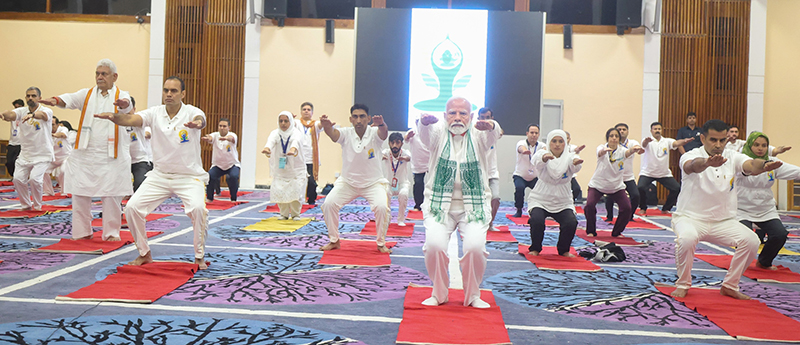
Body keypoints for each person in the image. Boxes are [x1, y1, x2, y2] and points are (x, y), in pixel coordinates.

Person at [95, 76, 209, 269]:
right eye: (166, 90)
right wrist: (115, 117)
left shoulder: (192, 112)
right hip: (160, 175)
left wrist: (197, 124)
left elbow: (201, 120)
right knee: (132, 208)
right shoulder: (155, 113)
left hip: (189, 176)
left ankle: (199, 256)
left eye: (173, 91)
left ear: (183, 94)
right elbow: (132, 118)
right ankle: (144, 253)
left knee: (198, 209)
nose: (169, 94)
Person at [671, 119, 780, 300]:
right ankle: (683, 283)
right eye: (713, 140)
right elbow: (692, 166)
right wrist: (707, 163)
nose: (718, 145)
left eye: (722, 140)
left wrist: (764, 165)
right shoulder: (690, 155)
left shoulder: (733, 156)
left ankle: (730, 285)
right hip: (690, 218)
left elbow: (751, 165)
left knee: (751, 240)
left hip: (723, 221)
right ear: (703, 138)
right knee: (687, 239)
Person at [39, 59, 133, 241]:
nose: (99, 77)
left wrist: (122, 105)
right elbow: (69, 99)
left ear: (114, 77)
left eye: (104, 74)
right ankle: (82, 233)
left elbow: (128, 105)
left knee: (112, 195)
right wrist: (55, 100)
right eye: (97, 73)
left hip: (112, 156)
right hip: (86, 153)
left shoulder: (122, 95)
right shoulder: (87, 94)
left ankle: (111, 233)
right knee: (80, 193)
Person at [419, 96, 499, 309]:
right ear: (445, 116)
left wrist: (491, 125)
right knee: (434, 246)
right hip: (439, 206)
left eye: (462, 113)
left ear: (471, 117)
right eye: (452, 113)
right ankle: (439, 292)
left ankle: (473, 294)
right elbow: (424, 135)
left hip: (474, 207)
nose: (457, 118)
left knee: (474, 248)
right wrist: (424, 123)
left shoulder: (479, 135)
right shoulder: (438, 132)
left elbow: (494, 134)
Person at [319, 104, 391, 253]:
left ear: (368, 118)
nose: (359, 120)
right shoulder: (346, 133)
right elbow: (333, 135)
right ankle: (334, 241)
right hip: (348, 182)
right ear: (350, 119)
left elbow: (383, 134)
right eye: (355, 117)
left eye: (362, 116)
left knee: (382, 207)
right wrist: (326, 127)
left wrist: (382, 124)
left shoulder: (374, 133)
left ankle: (380, 243)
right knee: (328, 204)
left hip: (373, 183)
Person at [736, 131, 800, 270]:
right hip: (740, 207)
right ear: (749, 145)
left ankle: (764, 262)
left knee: (780, 234)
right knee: (746, 238)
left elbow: (795, 171)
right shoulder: (740, 160)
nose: (760, 148)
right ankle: (740, 263)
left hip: (765, 208)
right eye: (757, 145)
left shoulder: (772, 162)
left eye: (764, 145)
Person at [527, 130, 584, 256]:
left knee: (571, 222)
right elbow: (537, 160)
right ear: (549, 142)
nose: (557, 144)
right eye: (554, 141)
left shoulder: (570, 156)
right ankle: (535, 248)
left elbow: (575, 162)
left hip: (562, 201)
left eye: (560, 141)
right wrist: (544, 158)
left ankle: (563, 250)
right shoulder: (542, 153)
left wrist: (576, 163)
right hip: (541, 199)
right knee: (536, 220)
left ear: (565, 143)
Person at [0, 87, 54, 210]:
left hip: (42, 153)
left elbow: (43, 116)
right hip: (26, 153)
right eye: (28, 96)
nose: (30, 98)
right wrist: (3, 114)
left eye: (33, 96)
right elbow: (11, 114)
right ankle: (26, 205)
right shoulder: (21, 111)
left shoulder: (47, 110)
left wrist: (33, 115)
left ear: (40, 98)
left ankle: (37, 205)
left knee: (35, 179)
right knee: (18, 179)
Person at [585, 128, 643, 237]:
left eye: (616, 136)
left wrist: (634, 149)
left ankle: (617, 232)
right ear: (607, 138)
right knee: (589, 205)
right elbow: (600, 152)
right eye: (611, 136)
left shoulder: (622, 150)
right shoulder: (601, 148)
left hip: (616, 186)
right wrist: (604, 151)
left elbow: (628, 152)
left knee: (627, 208)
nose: (614, 138)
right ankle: (591, 231)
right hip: (598, 185)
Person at [636, 122, 694, 215]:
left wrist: (684, 141)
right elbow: (644, 144)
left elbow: (676, 143)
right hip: (648, 172)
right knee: (640, 187)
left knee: (676, 188)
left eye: (659, 129)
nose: (657, 131)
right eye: (655, 129)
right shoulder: (648, 141)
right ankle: (643, 208)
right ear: (651, 131)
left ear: (661, 130)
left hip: (664, 173)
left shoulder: (667, 141)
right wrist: (646, 141)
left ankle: (666, 208)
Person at [262, 111, 306, 220]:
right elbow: (270, 142)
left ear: (291, 121)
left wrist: (292, 149)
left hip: (296, 169)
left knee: (296, 191)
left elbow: (295, 142)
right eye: (280, 121)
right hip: (281, 169)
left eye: (286, 121)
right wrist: (267, 149)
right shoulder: (275, 133)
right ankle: (284, 214)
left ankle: (296, 214)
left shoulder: (296, 133)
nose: (283, 123)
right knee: (280, 190)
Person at [604, 123, 641, 222]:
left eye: (624, 129)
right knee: (610, 197)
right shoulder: (612, 144)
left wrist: (637, 149)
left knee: (635, 195)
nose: (622, 131)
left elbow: (636, 147)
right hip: (614, 176)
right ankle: (609, 216)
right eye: (619, 130)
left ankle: (630, 216)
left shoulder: (632, 143)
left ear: (627, 132)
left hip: (628, 176)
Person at [476, 107, 503, 230]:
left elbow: (499, 130)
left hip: (492, 172)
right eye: (482, 117)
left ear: (492, 118)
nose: (485, 120)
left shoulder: (494, 130)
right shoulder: (474, 131)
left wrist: (494, 128)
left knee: (495, 197)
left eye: (487, 117)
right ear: (478, 118)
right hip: (478, 172)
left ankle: (490, 223)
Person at [202, 118, 240, 202]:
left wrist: (226, 138)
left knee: (233, 177)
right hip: (218, 165)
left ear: (229, 127)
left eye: (224, 126)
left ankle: (233, 198)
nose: (222, 128)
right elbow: (210, 137)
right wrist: (207, 138)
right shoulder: (215, 135)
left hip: (232, 165)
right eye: (220, 126)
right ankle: (209, 198)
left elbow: (232, 138)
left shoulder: (232, 135)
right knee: (209, 176)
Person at [295, 102, 323, 205]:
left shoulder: (315, 124)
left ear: (312, 112)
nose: (306, 111)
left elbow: (321, 125)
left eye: (308, 109)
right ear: (301, 112)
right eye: (304, 109)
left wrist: (324, 121)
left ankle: (311, 200)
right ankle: (298, 200)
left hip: (311, 157)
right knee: (299, 180)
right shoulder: (297, 123)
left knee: (311, 181)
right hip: (299, 157)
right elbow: (288, 125)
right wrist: (289, 118)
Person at [512, 124, 542, 217]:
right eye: (532, 132)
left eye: (536, 133)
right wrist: (525, 151)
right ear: (527, 133)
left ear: (538, 134)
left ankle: (537, 211)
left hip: (534, 176)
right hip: (520, 175)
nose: (534, 135)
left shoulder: (541, 145)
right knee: (519, 188)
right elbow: (521, 148)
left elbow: (545, 150)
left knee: (540, 192)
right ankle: (519, 210)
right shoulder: (522, 143)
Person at [383, 132, 411, 226]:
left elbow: (409, 158)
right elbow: (377, 155)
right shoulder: (386, 152)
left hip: (402, 183)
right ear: (389, 143)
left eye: (397, 143)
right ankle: (387, 218)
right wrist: (380, 157)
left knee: (403, 194)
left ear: (402, 144)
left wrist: (404, 158)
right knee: (385, 193)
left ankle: (401, 219)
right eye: (392, 143)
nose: (394, 145)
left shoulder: (405, 152)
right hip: (389, 183)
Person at [126, 96, 153, 193]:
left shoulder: (139, 118)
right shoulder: (116, 121)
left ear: (134, 109)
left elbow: (148, 131)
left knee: (140, 185)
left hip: (140, 160)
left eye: (128, 109)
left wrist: (147, 133)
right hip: (123, 160)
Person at [405, 118, 431, 211]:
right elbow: (406, 139)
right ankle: (418, 205)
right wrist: (408, 136)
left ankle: (432, 205)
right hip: (418, 163)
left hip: (431, 162)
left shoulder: (431, 131)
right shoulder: (412, 132)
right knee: (418, 184)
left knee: (433, 184)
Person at [44, 115, 72, 196]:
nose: (51, 126)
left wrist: (53, 135)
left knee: (63, 171)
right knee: (43, 171)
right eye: (49, 124)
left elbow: (62, 134)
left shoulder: (63, 129)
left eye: (52, 124)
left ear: (57, 124)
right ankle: (48, 191)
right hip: (53, 158)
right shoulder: (45, 131)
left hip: (65, 157)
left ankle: (65, 191)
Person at [726, 124, 791, 157]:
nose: (734, 134)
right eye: (732, 132)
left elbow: (758, 146)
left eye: (736, 132)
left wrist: (776, 150)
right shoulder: (723, 144)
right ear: (727, 132)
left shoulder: (741, 143)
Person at [6, 99, 25, 177]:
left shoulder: (26, 116)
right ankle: (13, 176)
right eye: (15, 107)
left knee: (17, 162)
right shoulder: (13, 115)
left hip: (21, 143)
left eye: (19, 107)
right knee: (9, 162)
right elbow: (7, 116)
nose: (17, 109)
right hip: (12, 142)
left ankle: (18, 177)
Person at [566, 131, 582, 201]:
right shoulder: (556, 147)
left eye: (567, 138)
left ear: (569, 139)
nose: (565, 140)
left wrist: (577, 150)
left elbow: (575, 149)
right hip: (559, 174)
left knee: (576, 189)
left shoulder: (571, 147)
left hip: (569, 174)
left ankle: (570, 201)